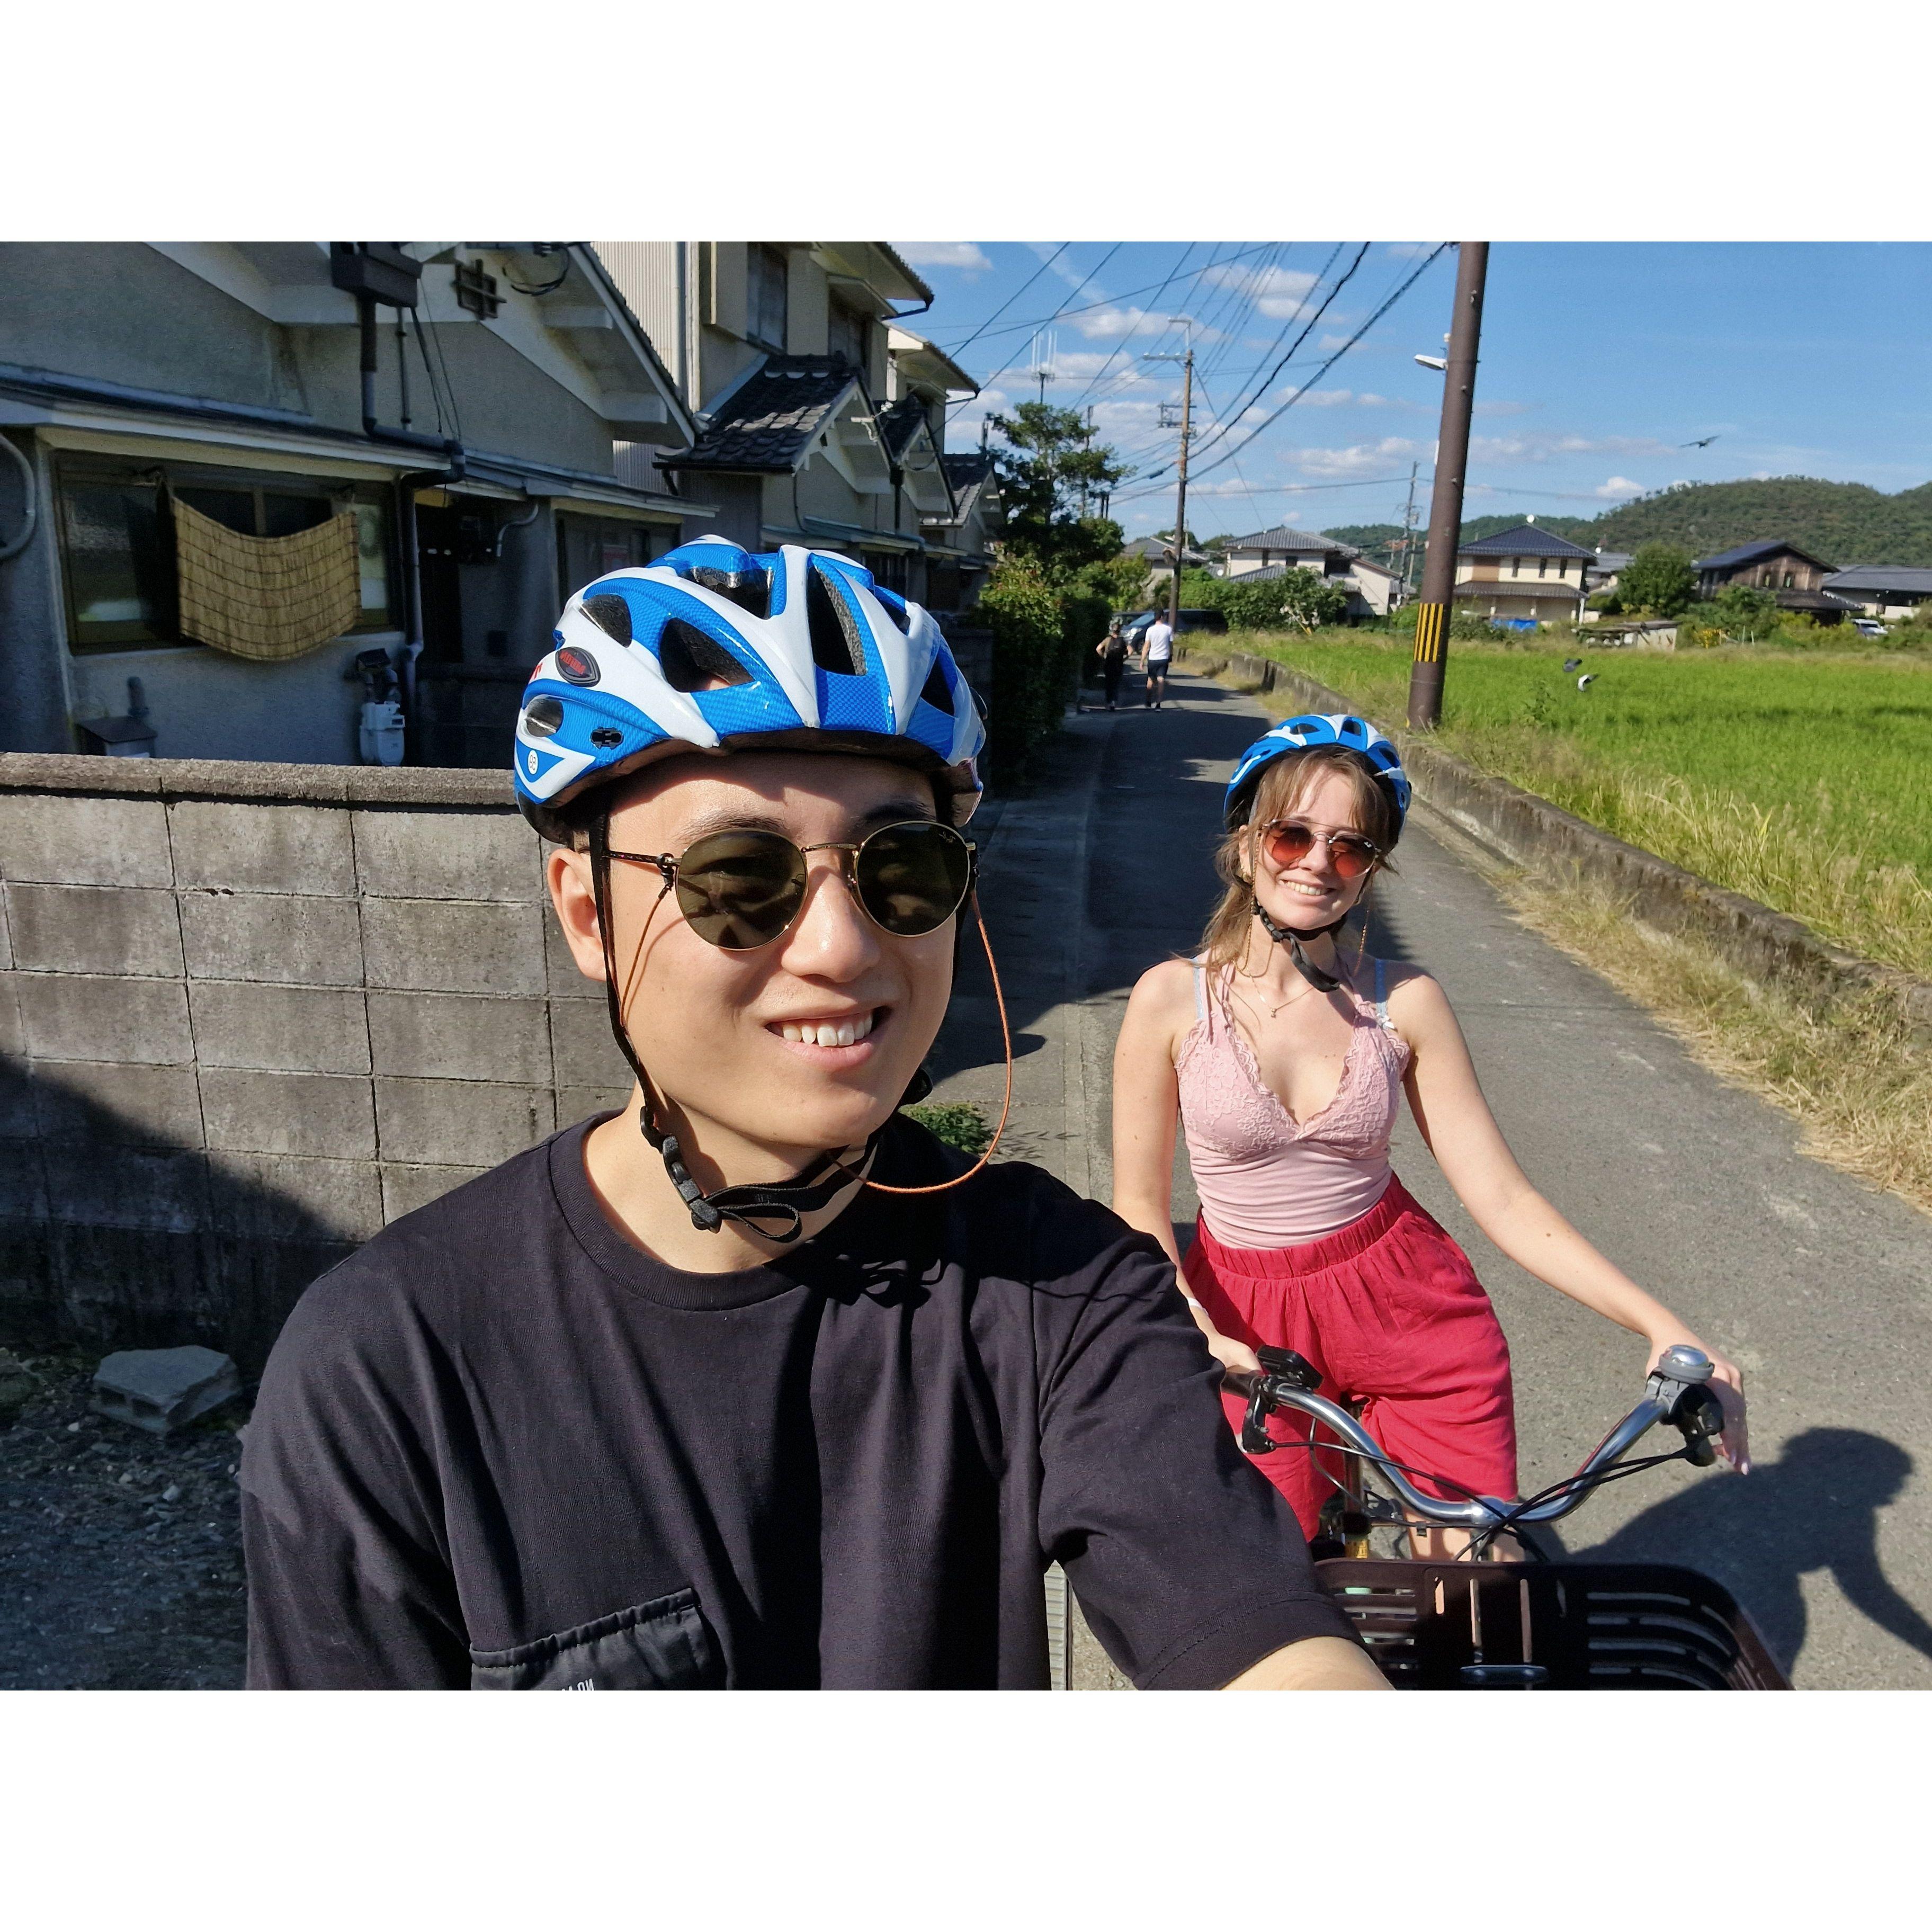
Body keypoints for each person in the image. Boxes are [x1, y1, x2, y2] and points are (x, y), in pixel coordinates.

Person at [240, 543, 1384, 1690]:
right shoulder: (391, 1360)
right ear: (588, 915)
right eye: (737, 878)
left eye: (905, 867)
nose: (841, 948)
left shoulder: (1060, 1289)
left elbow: (1260, 1635)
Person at [1110, 713, 1748, 1557]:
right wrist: (1192, 1323)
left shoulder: (1402, 1002)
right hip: (1241, 1318)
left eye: (1350, 848)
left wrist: (1661, 1324)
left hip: (1406, 1304)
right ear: (1246, 842)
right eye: (1292, 835)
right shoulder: (1170, 999)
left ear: (1371, 869)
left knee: (1470, 1579)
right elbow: (1139, 1207)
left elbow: (1505, 1199)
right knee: (1274, 1580)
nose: (1317, 863)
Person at [1141, 610, 1174, 708]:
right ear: (1162, 617)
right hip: (1164, 658)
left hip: (1152, 658)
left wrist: (1142, 660)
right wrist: (1170, 654)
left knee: (1151, 680)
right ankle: (1158, 704)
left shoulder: (1150, 630)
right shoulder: (1168, 629)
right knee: (1161, 680)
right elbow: (1171, 644)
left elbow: (1147, 646)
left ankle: (1148, 702)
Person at [1096, 619, 1131, 710]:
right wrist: (1125, 658)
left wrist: (1103, 657)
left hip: (1109, 663)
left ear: (1112, 630)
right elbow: (1131, 651)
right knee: (1116, 683)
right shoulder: (1123, 640)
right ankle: (1114, 702)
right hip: (1119, 664)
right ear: (1120, 631)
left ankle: (1108, 702)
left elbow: (1098, 649)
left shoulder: (1108, 640)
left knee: (1109, 683)